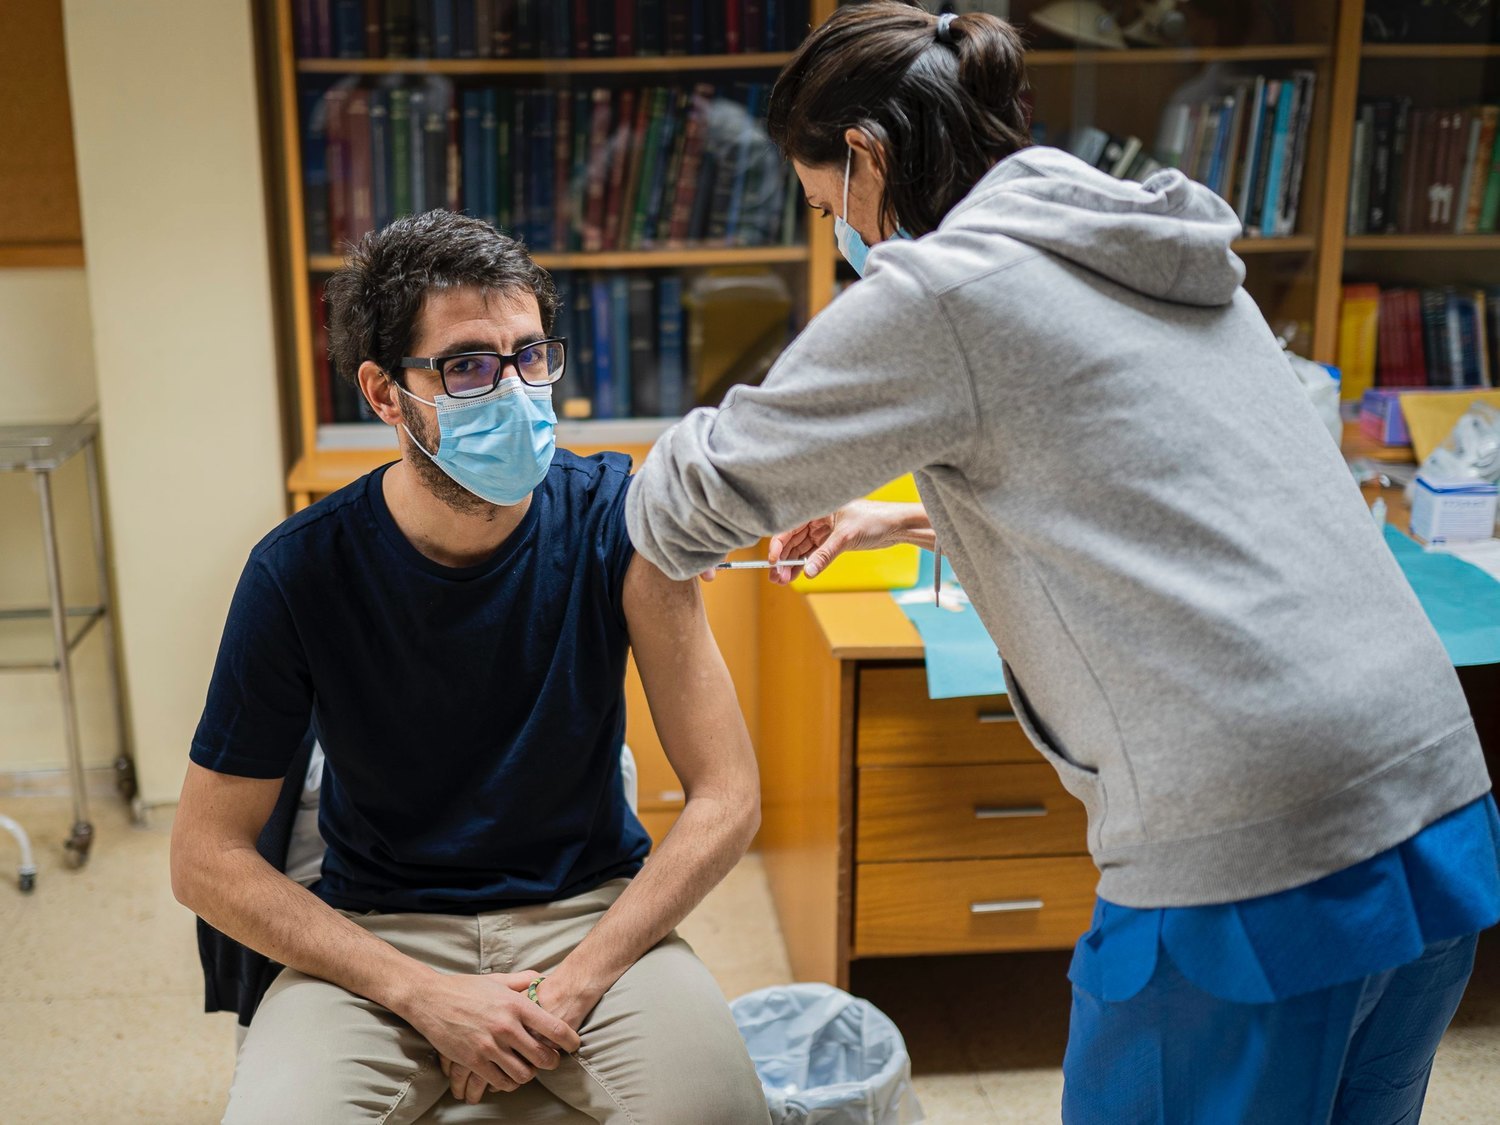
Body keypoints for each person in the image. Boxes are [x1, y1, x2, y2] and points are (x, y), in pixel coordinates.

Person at [624, 4, 1500, 1122]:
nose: (834, 234)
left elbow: (700, 492)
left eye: (820, 207)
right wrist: (901, 519)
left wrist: (602, 492)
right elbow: (1150, 477)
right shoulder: (1151, 240)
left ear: (867, 157)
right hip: (1434, 799)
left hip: (1259, 848)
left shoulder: (942, 289)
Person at [171, 210, 770, 1124]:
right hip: (381, 930)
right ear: (384, 393)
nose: (516, 391)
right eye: (467, 366)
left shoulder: (623, 521)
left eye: (530, 356)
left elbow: (728, 793)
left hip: (589, 914)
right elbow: (204, 857)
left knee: (720, 1112)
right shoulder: (298, 571)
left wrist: (574, 985)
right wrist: (423, 994)